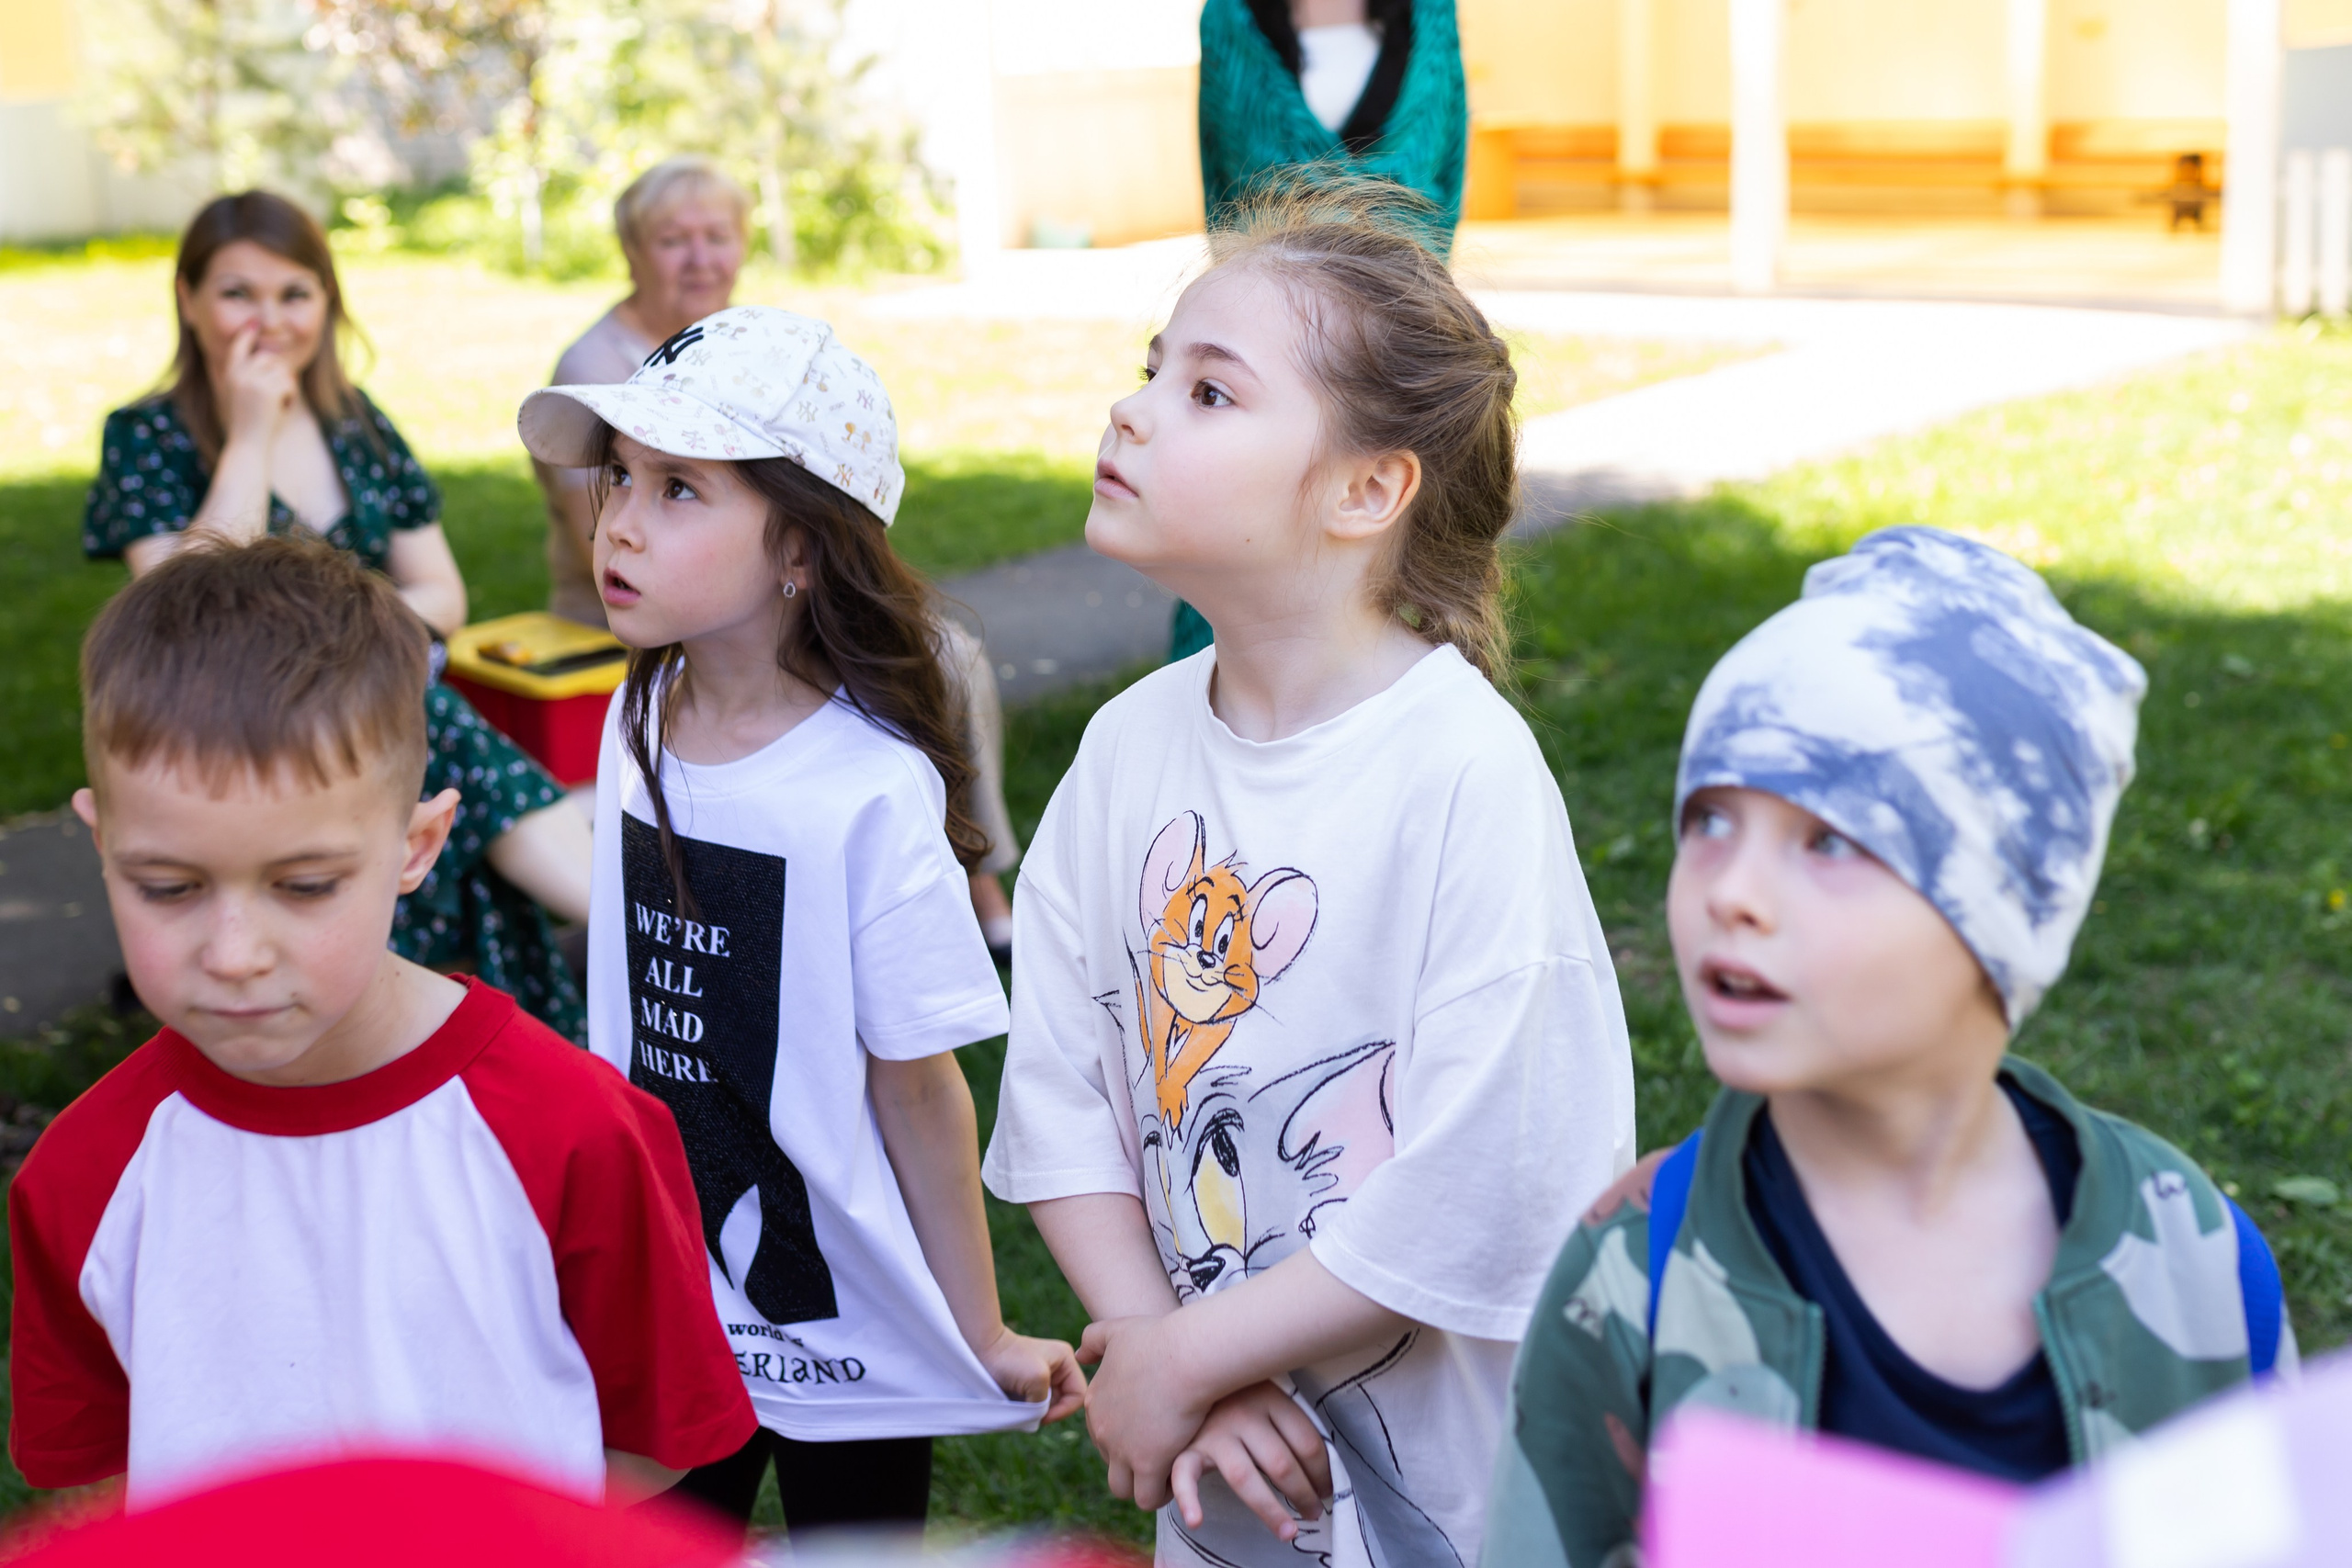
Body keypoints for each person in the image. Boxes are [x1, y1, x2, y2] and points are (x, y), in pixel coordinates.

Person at [978, 177, 1636, 1566]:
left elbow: (1491, 1177)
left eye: (1211, 393)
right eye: (1151, 372)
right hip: (1228, 1486)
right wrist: (1162, 1349)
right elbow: (1061, 1092)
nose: (1136, 409)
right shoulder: (1123, 750)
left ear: (1365, 488)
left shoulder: (1464, 772)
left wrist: (1184, 1355)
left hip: (1452, 1502)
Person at [1485, 528, 2295, 1567]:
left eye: (1829, 840)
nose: (1729, 891)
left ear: (2000, 911)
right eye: (1711, 819)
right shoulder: (1635, 1273)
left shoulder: (2200, 1266)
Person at [9, 537, 756, 1508]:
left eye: (305, 885)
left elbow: (660, 1438)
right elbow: (90, 1481)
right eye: (169, 887)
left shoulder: (573, 1129)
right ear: (104, 846)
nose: (235, 950)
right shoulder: (84, 1173)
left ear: (418, 846)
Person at [517, 306, 1086, 1538]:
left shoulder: (869, 787)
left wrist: (975, 1325)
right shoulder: (636, 718)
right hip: (667, 1307)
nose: (616, 518)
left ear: (801, 551)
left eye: (679, 488)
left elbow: (921, 1086)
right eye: (620, 475)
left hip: (850, 1327)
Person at [81, 189, 593, 1041]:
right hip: (225, 725)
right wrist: (248, 437)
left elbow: (444, 597)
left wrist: (333, 630)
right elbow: (178, 611)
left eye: (295, 294)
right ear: (189, 300)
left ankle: (606, 932)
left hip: (380, 703)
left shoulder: (358, 426)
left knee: (418, 719)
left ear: (327, 301)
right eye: (238, 293)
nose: (269, 319)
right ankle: (625, 930)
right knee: (434, 728)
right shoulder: (148, 435)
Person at [535, 156, 1023, 961]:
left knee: (946, 656)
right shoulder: (595, 366)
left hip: (761, 600)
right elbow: (616, 533)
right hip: (620, 621)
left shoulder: (761, 354)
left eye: (715, 237)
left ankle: (966, 864)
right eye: (672, 240)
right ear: (631, 251)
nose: (698, 258)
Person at [1171, 0, 1469, 665]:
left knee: (1385, 562)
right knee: (1246, 553)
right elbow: (1226, 196)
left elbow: (1445, 184)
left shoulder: (1430, 17)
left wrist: (1394, 335)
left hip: (1387, 356)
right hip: (1266, 354)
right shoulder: (1231, 19)